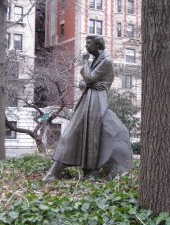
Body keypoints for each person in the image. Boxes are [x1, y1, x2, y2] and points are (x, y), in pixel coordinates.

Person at [43, 35, 132, 182]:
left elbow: (89, 79)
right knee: (73, 133)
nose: (86, 46)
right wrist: (87, 82)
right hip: (89, 99)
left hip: (96, 101)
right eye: (86, 42)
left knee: (89, 135)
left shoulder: (106, 62)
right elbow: (85, 83)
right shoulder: (98, 61)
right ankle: (61, 171)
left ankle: (88, 171)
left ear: (98, 46)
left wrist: (85, 64)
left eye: (89, 43)